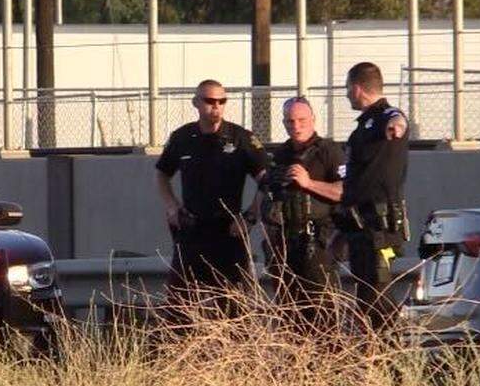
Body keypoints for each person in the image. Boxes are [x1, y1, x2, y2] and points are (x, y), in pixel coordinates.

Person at [155, 79, 268, 294]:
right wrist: (171, 206)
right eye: (209, 101)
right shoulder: (183, 137)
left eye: (221, 101)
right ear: (196, 103)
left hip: (229, 232)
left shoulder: (241, 138)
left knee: (234, 306)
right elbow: (161, 173)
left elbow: (265, 180)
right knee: (179, 306)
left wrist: (251, 216)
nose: (216, 106)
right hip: (192, 230)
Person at [251, 96, 344, 325]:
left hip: (317, 244)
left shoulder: (329, 151)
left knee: (321, 314)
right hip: (283, 244)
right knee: (288, 315)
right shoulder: (280, 155)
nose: (296, 126)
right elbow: (265, 192)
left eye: (302, 120)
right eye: (290, 121)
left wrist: (309, 183)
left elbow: (346, 191)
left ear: (313, 119)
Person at [334, 62, 409, 328]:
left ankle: (391, 356)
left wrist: (397, 126)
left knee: (378, 295)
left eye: (347, 89)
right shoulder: (364, 125)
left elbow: (397, 118)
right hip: (360, 225)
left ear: (356, 88)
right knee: (366, 295)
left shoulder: (382, 117)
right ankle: (375, 352)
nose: (346, 95)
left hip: (378, 227)